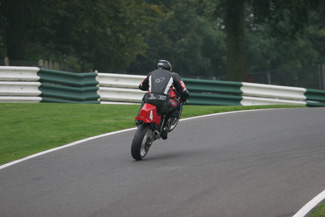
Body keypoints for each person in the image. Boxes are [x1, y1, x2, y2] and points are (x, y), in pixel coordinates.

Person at [138, 60, 190, 140]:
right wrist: (184, 98)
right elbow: (184, 91)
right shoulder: (173, 75)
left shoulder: (151, 74)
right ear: (169, 68)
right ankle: (166, 127)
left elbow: (141, 86)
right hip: (164, 102)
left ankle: (140, 118)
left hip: (149, 100)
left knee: (145, 97)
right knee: (177, 102)